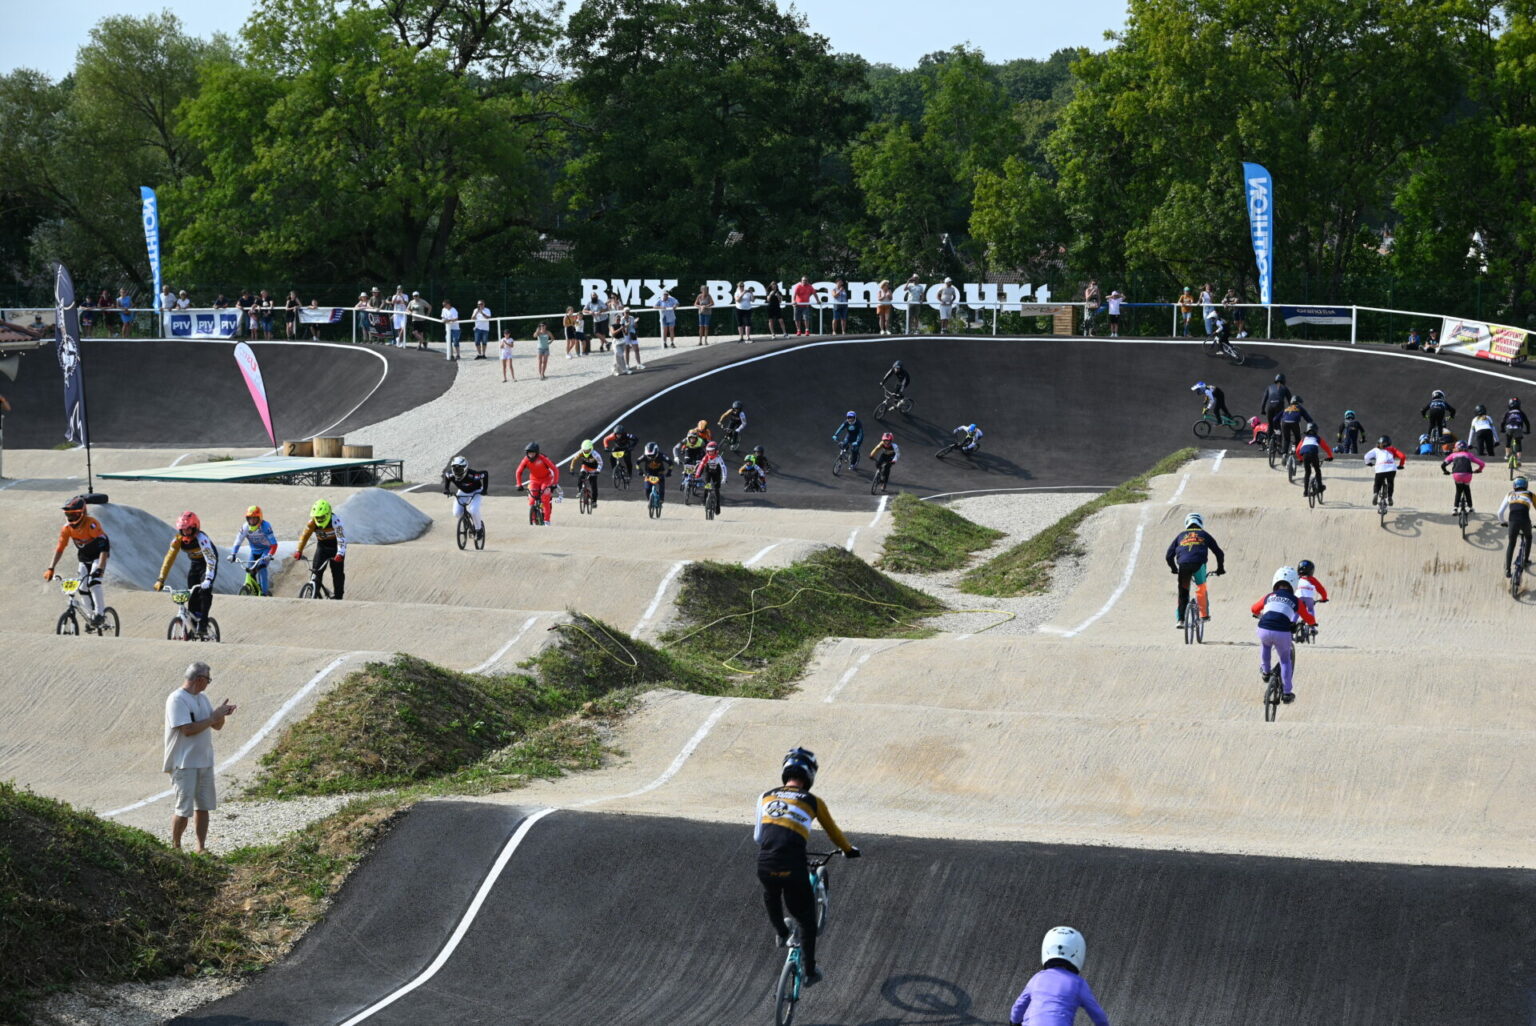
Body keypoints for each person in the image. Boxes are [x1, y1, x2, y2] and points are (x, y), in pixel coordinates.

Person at [755, 747, 860, 988]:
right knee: (806, 922)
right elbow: (833, 832)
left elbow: (759, 837)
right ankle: (810, 972)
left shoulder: (765, 796)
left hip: (765, 863)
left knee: (771, 893)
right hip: (792, 867)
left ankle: (781, 933)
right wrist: (848, 850)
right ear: (810, 775)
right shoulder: (813, 801)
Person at [163, 661, 236, 854]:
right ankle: (176, 847)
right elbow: (187, 729)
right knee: (183, 808)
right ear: (200, 679)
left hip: (204, 761)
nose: (208, 684)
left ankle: (200, 847)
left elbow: (216, 726)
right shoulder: (177, 699)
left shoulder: (202, 698)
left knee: (203, 807)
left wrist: (220, 715)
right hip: (184, 763)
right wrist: (213, 717)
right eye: (208, 680)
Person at [1007, 926, 1110, 1026]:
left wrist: (1014, 1022)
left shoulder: (1037, 978)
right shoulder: (1078, 984)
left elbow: (1018, 1007)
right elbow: (1097, 1014)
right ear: (1078, 951)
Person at [44, 495, 111, 627]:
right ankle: (91, 616)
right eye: (68, 514)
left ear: (82, 513)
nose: (71, 518)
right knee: (82, 588)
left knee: (94, 583)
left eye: (74, 514)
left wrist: (100, 569)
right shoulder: (67, 528)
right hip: (84, 558)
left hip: (98, 556)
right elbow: (59, 549)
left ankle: (100, 614)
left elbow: (105, 546)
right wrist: (51, 568)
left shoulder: (91, 524)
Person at [155, 511, 219, 633]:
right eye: (183, 530)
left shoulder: (202, 539)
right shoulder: (178, 539)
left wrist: (208, 579)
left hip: (208, 564)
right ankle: (194, 624)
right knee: (192, 594)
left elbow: (211, 559)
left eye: (188, 529)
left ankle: (204, 622)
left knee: (204, 592)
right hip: (195, 564)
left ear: (195, 527)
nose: (185, 533)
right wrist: (161, 579)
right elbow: (169, 558)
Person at [1252, 566, 1304, 703]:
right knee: (1285, 660)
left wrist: (1258, 614)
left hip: (1264, 628)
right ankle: (1287, 693)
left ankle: (1266, 672)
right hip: (1282, 632)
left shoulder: (1269, 596)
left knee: (1266, 645)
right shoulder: (1295, 600)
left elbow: (1254, 608)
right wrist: (1312, 623)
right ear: (1294, 584)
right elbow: (1307, 616)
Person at [1166, 512, 1226, 628]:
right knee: (1201, 587)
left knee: (1183, 593)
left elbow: (1168, 556)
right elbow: (1219, 553)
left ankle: (1181, 620)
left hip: (1183, 566)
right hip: (1199, 564)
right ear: (1201, 522)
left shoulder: (1180, 536)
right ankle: (1203, 615)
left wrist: (1174, 568)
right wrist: (1220, 569)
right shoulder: (1204, 534)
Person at [293, 499, 346, 598]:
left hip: (336, 548)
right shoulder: (312, 522)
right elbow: (304, 536)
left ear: (328, 514)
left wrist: (340, 553)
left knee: (337, 574)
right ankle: (314, 592)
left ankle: (338, 597)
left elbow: (341, 539)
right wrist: (298, 550)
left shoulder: (336, 521)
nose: (319, 520)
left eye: (321, 517)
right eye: (317, 517)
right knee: (316, 571)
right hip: (322, 547)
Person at [228, 505, 278, 596]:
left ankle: (264, 593)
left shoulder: (266, 526)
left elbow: (274, 544)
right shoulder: (245, 527)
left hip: (265, 551)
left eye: (254, 519)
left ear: (260, 518)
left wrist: (270, 555)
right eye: (250, 519)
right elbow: (238, 540)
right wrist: (233, 554)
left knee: (262, 568)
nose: (252, 521)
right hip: (254, 552)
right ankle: (254, 590)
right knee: (250, 570)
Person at [443, 455, 489, 538]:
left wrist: (484, 490)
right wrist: (446, 489)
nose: (457, 471)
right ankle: (466, 522)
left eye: (459, 469)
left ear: (465, 468)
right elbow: (447, 475)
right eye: (455, 469)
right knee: (456, 513)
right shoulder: (451, 474)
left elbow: (485, 474)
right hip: (463, 492)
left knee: (473, 510)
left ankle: (479, 529)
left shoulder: (473, 475)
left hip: (476, 491)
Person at [515, 441, 560, 525]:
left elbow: (555, 469)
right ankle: (533, 520)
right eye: (529, 453)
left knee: (545, 498)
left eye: (532, 453)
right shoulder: (525, 460)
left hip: (546, 480)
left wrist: (554, 483)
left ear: (537, 453)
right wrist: (519, 484)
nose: (530, 455)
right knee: (532, 500)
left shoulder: (543, 458)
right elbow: (518, 471)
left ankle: (547, 521)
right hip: (534, 480)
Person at [1498, 477, 1534, 578]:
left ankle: (1508, 570)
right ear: (1526, 485)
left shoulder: (1509, 494)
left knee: (1511, 544)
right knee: (1529, 537)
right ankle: (1526, 560)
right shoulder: (1529, 494)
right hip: (1525, 521)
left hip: (1512, 522)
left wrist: (1503, 522)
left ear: (1514, 486)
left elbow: (1500, 512)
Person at [1441, 441, 1485, 513]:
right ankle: (1470, 507)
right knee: (1467, 490)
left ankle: (1455, 508)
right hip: (1467, 475)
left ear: (1456, 447)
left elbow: (1443, 465)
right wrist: (1478, 470)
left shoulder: (1453, 455)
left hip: (1457, 475)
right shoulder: (1469, 455)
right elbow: (1482, 464)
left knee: (1458, 491)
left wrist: (1445, 471)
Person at [1363, 435, 1407, 506]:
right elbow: (1402, 456)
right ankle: (1390, 497)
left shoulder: (1376, 450)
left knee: (1377, 483)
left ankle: (1376, 493)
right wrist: (1401, 465)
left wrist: (1368, 463)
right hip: (1391, 469)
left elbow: (1366, 456)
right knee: (1390, 482)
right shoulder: (1392, 449)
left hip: (1380, 468)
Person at [1296, 424, 1334, 498]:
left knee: (1307, 472)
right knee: (1317, 470)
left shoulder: (1304, 439)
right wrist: (1330, 456)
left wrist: (1301, 459)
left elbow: (1297, 450)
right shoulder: (1317, 438)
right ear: (1316, 430)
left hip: (1305, 455)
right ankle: (1320, 487)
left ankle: (1305, 492)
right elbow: (1326, 447)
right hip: (1313, 454)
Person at [569, 440, 604, 507]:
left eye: (587, 450)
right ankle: (579, 491)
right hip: (585, 467)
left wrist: (598, 471)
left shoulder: (595, 454)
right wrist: (571, 469)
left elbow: (600, 463)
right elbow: (574, 460)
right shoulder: (580, 452)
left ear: (591, 449)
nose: (586, 451)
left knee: (594, 486)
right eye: (584, 450)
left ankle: (594, 502)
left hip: (594, 469)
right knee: (580, 477)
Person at [1294, 558, 1329, 625]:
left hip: (1298, 596)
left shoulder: (1296, 579)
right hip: (1308, 596)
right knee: (1310, 609)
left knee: (1298, 610)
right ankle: (1312, 626)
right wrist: (1324, 598)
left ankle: (1292, 623)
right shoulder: (1311, 579)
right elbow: (1321, 589)